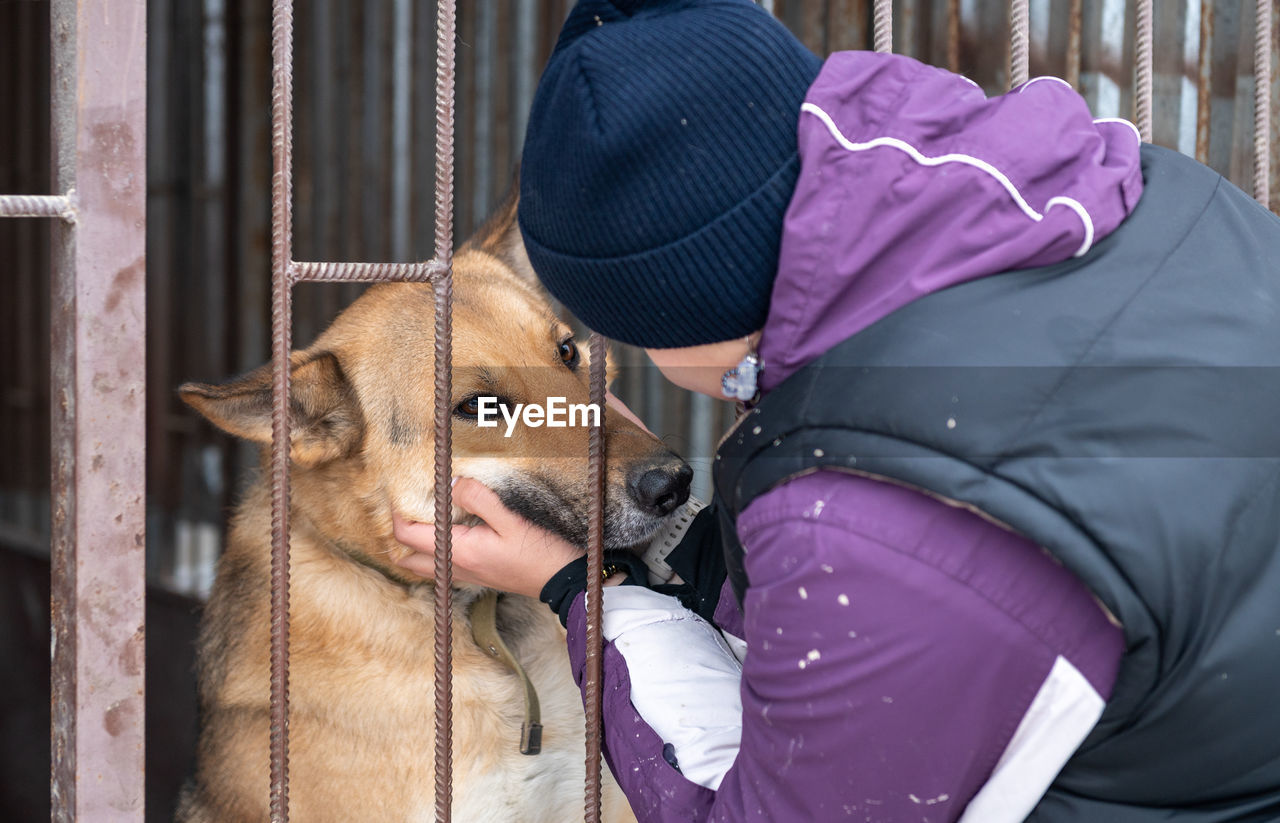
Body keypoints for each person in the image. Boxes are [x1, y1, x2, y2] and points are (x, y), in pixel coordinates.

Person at [392, 1, 1280, 820]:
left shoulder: (876, 521)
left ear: (688, 309)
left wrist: (579, 590)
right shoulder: (1144, 192)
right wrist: (686, 553)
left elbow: (878, 575)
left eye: (593, 343)